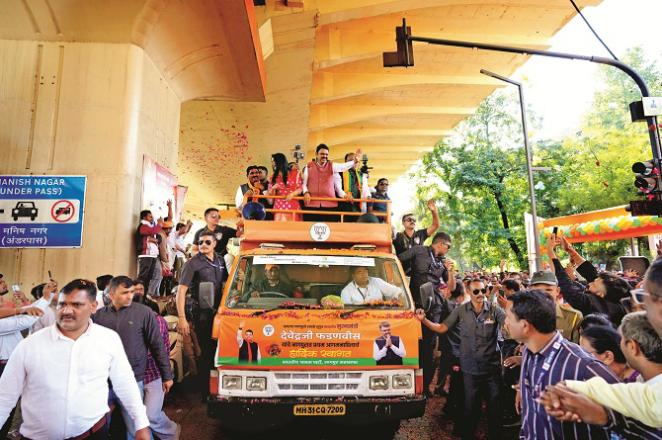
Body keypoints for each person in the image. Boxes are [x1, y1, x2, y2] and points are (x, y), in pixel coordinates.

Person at [0, 279, 150, 440]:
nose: (67, 311)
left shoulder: (108, 340)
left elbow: (125, 382)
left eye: (76, 305)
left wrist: (141, 423)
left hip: (92, 434)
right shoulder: (30, 345)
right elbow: (4, 397)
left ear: (93, 307)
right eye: (62, 304)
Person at [505, 289, 621, 440]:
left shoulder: (583, 366)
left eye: (508, 317)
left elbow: (627, 419)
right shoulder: (528, 350)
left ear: (525, 326)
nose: (505, 322)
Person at [416, 278, 505, 439]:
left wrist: (509, 310)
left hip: (491, 369)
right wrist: (424, 320)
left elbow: (510, 326)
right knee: (470, 408)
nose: (480, 294)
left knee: (494, 408)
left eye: (483, 291)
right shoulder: (460, 310)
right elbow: (442, 328)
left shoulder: (494, 310)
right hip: (470, 370)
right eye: (476, 291)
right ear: (469, 292)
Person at [94, 276, 173, 440]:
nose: (130, 296)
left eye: (131, 292)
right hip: (103, 382)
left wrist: (167, 376)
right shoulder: (98, 317)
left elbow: (158, 345)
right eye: (125, 293)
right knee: (98, 425)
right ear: (111, 294)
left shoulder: (144, 313)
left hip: (131, 380)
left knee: (135, 428)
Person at [176, 231, 228, 388]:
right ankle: (205, 390)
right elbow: (181, 292)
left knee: (219, 350)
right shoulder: (192, 263)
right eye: (200, 242)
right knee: (206, 351)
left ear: (214, 244)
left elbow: (226, 284)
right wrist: (182, 318)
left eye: (207, 242)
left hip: (220, 314)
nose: (203, 245)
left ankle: (219, 385)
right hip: (202, 314)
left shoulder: (220, 261)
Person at [0, 286, 53, 438]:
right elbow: (23, 322)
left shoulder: (6, 311)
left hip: (10, 362)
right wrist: (46, 299)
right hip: (4, 365)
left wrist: (25, 307)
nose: (4, 284)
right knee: (6, 404)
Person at [548, 237, 628, 326]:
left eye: (594, 283)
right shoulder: (611, 297)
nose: (591, 282)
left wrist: (550, 251)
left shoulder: (593, 304)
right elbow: (591, 273)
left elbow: (565, 282)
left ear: (601, 294)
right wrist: (570, 250)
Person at [143, 313, 180, 440]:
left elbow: (159, 352)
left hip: (154, 375)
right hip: (132, 376)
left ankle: (171, 431)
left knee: (150, 416)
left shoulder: (156, 321)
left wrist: (166, 377)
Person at [301, 144, 358, 221]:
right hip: (311, 204)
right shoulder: (308, 166)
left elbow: (342, 167)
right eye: (322, 154)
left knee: (329, 229)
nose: (324, 156)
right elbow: (304, 184)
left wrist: (345, 195)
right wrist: (306, 192)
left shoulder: (332, 166)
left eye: (326, 154)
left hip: (330, 206)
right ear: (316, 154)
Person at [397, 232, 455, 306]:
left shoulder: (444, 262)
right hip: (414, 302)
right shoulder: (418, 250)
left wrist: (450, 271)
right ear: (441, 244)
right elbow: (397, 259)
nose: (448, 250)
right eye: (448, 246)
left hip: (434, 305)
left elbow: (452, 288)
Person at [529, 270, 583, 343]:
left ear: (557, 291)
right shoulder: (521, 316)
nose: (543, 294)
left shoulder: (573, 317)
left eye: (548, 290)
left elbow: (578, 349)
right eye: (537, 290)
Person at [392, 199, 440, 276]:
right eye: (409, 219)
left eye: (414, 220)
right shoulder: (398, 236)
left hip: (418, 274)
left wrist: (434, 211)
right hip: (402, 274)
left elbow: (435, 225)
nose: (412, 221)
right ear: (403, 223)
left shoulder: (420, 234)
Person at [267, 152, 303, 222]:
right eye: (272, 161)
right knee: (280, 230)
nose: (272, 163)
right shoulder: (272, 177)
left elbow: (300, 188)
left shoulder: (295, 173)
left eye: (273, 161)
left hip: (292, 205)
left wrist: (292, 194)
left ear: (279, 161)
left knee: (293, 229)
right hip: (279, 207)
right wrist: (273, 189)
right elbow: (270, 199)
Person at [136, 209, 163, 294]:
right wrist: (159, 224)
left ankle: (146, 296)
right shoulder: (143, 226)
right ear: (144, 217)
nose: (152, 218)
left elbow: (156, 236)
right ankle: (139, 295)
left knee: (149, 277)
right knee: (143, 277)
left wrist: (154, 239)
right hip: (145, 255)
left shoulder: (149, 226)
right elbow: (153, 231)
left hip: (152, 255)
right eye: (150, 216)